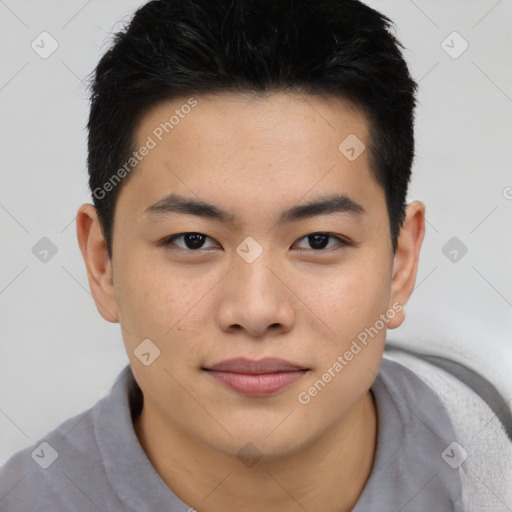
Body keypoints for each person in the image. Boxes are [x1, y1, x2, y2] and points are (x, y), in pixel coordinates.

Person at [1, 0, 510, 510]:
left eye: (318, 240)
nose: (256, 310)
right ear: (102, 264)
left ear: (400, 264)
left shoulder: (496, 448)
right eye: (193, 240)